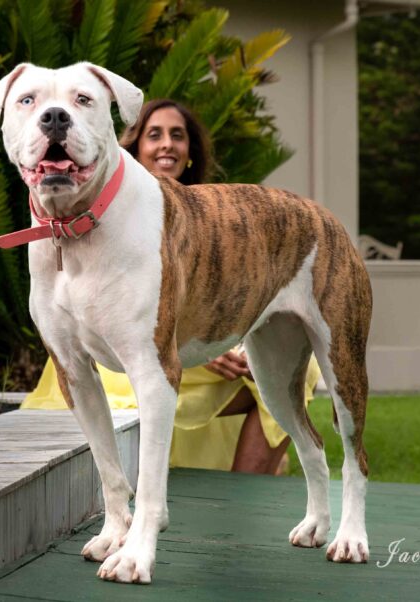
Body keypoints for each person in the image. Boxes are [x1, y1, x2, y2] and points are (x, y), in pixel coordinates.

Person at [22, 99, 321, 474]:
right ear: (133, 149)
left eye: (177, 136)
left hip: (198, 355)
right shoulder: (97, 214)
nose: (167, 144)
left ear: (190, 153)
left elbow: (234, 293)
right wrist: (201, 345)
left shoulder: (219, 215)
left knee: (295, 370)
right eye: (155, 135)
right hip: (122, 356)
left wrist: (226, 340)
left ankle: (245, 492)